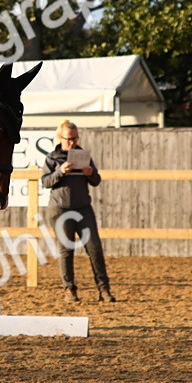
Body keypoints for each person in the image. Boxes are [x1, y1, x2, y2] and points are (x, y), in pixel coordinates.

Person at [40, 120, 116, 302]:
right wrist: (60, 171)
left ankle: (104, 290)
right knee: (66, 250)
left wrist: (91, 174)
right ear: (60, 138)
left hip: (83, 208)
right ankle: (69, 289)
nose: (72, 142)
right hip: (60, 209)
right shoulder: (52, 158)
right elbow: (45, 182)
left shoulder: (83, 156)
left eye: (75, 138)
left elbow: (96, 181)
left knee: (94, 248)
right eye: (69, 139)